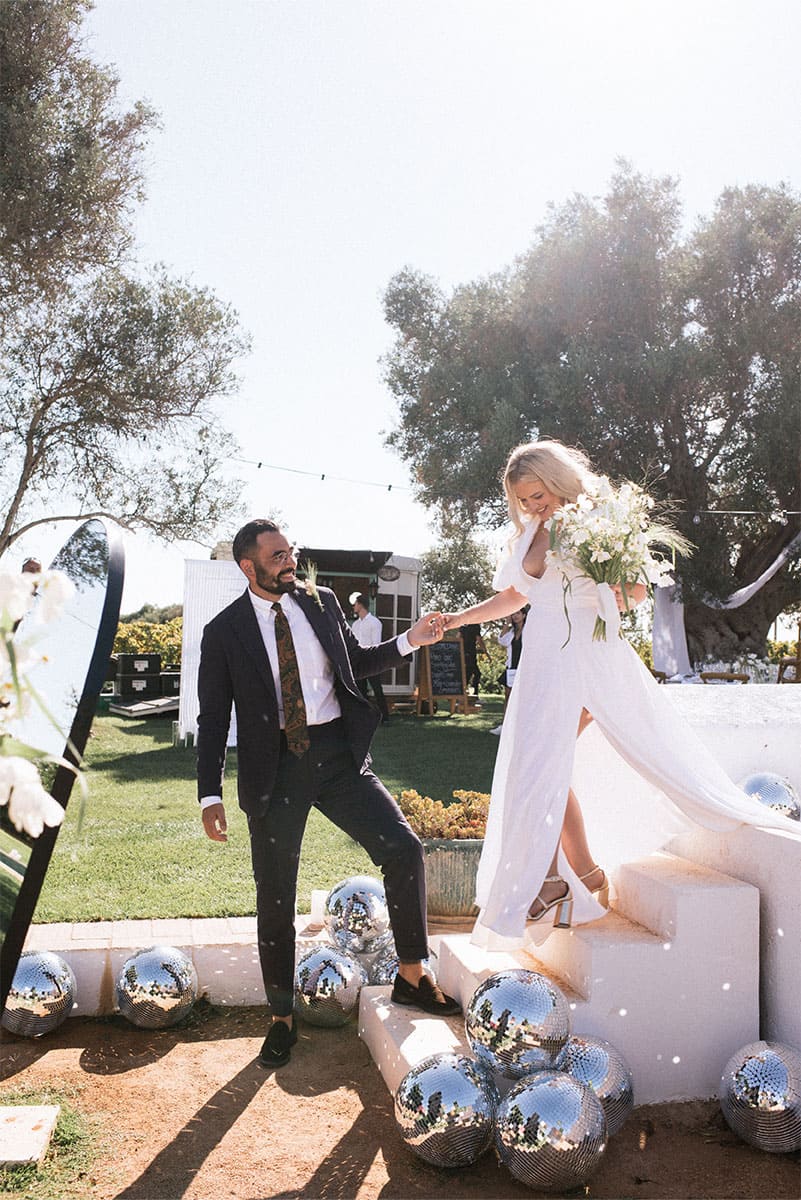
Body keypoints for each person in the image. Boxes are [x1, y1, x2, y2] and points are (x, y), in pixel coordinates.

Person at [441, 439, 800, 951]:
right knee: (538, 767)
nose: (532, 506)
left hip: (586, 655)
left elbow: (633, 592)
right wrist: (456, 619)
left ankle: (555, 880)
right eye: (523, 500)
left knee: (539, 766)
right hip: (542, 659)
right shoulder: (528, 536)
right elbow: (516, 596)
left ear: (559, 480)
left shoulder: (597, 520)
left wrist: (616, 593)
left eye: (538, 495)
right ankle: (579, 878)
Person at [197, 520, 460, 1069]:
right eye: (275, 556)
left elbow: (355, 664)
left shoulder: (321, 602)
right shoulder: (223, 632)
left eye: (289, 552)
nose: (287, 562)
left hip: (339, 758)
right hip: (275, 770)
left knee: (402, 848)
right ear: (249, 567)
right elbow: (214, 716)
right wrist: (208, 794)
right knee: (275, 891)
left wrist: (413, 638)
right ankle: (281, 1017)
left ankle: (412, 975)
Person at [350, 593, 390, 723]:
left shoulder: (375, 622)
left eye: (355, 604)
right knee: (360, 691)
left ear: (360, 605)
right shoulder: (355, 625)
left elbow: (376, 643)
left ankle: (385, 717)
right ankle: (364, 717)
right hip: (359, 661)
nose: (353, 607)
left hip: (371, 660)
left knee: (377, 689)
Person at [491, 607, 527, 734]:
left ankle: (522, 726)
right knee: (508, 697)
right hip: (511, 668)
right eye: (513, 614)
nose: (515, 616)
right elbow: (502, 640)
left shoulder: (529, 630)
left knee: (523, 698)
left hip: (524, 669)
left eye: (518, 613)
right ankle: (506, 726)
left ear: (523, 615)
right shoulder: (511, 632)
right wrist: (506, 622)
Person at [460, 623, 486, 701]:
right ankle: (474, 694)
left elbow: (458, 637)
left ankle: (463, 694)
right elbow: (478, 639)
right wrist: (484, 649)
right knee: (476, 674)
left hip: (464, 653)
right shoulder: (475, 626)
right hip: (471, 653)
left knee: (468, 673)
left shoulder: (463, 626)